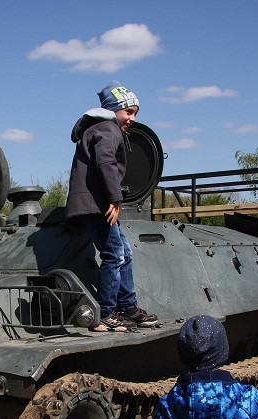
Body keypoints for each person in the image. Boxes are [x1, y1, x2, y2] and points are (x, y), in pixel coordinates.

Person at [65, 81, 157, 332]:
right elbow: (106, 162)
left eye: (135, 113)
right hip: (96, 205)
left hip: (95, 204)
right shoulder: (108, 128)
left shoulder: (101, 128)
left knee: (124, 252)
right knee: (114, 254)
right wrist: (115, 198)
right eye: (129, 112)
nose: (133, 118)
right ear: (114, 109)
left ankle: (127, 306)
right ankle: (106, 311)